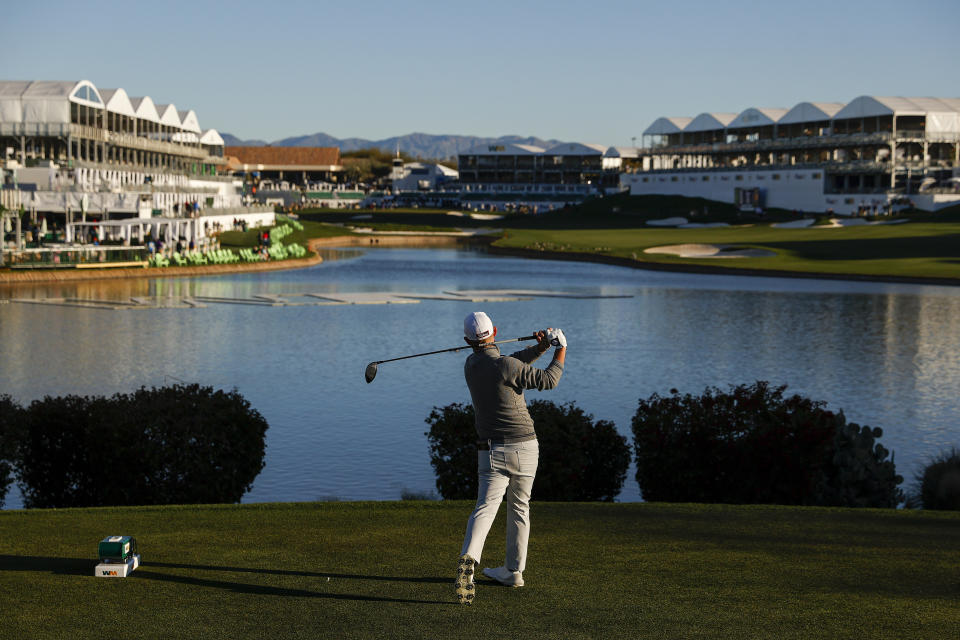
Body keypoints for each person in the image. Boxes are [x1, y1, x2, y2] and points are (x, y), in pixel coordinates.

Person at [455, 311, 566, 605]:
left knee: (486, 506)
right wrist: (560, 348)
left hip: (490, 450)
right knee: (520, 507)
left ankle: (470, 557)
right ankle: (514, 571)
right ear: (495, 330)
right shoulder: (505, 365)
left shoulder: (471, 365)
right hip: (526, 448)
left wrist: (540, 348)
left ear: (467, 340)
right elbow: (549, 380)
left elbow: (510, 364)